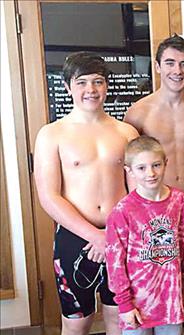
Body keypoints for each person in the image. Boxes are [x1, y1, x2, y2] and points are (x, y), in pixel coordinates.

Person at [34, 51, 139, 335]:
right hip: (75, 236)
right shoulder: (51, 134)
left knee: (121, 317)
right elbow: (49, 196)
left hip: (120, 236)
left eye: (97, 82)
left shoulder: (126, 132)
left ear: (106, 86)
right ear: (67, 86)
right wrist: (95, 236)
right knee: (76, 320)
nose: (90, 90)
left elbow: (137, 192)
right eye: (81, 82)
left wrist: (113, 235)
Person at [124, 35, 184, 334]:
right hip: (148, 211)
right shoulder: (139, 112)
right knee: (148, 277)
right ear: (159, 67)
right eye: (171, 63)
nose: (178, 70)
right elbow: (131, 167)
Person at [106, 135, 184, 335]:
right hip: (137, 302)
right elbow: (115, 262)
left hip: (170, 299)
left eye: (156, 165)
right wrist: (124, 303)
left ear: (166, 163)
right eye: (141, 168)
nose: (151, 173)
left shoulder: (180, 202)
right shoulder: (123, 211)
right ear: (129, 170)